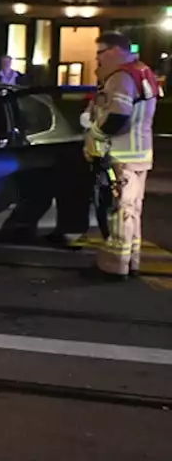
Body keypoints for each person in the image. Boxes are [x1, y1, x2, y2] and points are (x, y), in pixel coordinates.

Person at [84, 31, 157, 279]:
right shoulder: (143, 72)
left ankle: (114, 267)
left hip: (121, 154)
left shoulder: (122, 77)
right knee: (131, 210)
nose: (97, 59)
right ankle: (130, 261)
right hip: (140, 153)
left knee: (118, 211)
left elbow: (117, 117)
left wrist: (94, 133)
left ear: (115, 51)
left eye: (100, 52)